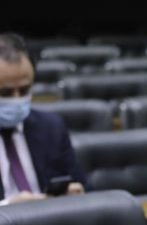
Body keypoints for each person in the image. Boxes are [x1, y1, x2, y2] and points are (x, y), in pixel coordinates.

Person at [0, 33, 86, 204]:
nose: (16, 99)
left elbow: (83, 188)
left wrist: (76, 194)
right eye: (5, 92)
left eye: (24, 90)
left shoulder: (52, 127)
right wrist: (6, 208)